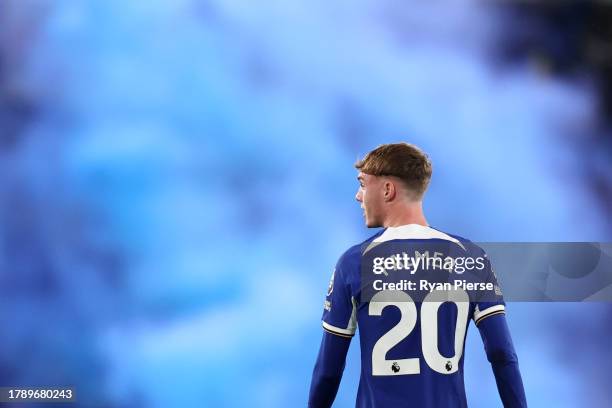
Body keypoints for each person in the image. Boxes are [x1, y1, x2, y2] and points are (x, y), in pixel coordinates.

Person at [308, 143, 527, 408]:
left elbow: (329, 370)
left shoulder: (355, 262)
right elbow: (502, 353)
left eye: (363, 184)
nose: (358, 195)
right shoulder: (470, 257)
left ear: (388, 189)